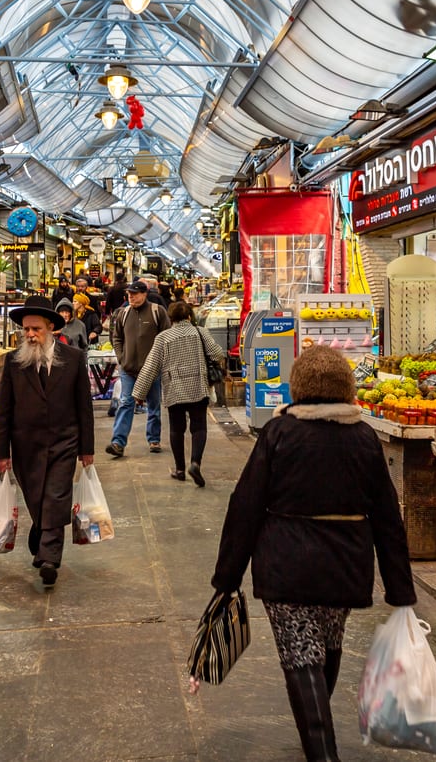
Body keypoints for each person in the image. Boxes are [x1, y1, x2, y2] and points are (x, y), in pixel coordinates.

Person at [211, 345, 416, 762]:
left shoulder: (279, 433)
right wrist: (400, 588)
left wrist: (227, 577)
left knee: (301, 655)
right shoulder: (364, 438)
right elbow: (387, 516)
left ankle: (323, 754)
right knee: (325, 645)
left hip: (287, 564)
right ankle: (318, 738)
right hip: (345, 565)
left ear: (297, 387)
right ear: (348, 389)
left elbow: (245, 505)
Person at [0, 295, 95, 587]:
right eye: (26, 330)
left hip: (65, 441)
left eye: (36, 329)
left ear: (51, 328)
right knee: (36, 498)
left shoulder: (74, 359)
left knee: (56, 495)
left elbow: (84, 406)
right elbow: (3, 410)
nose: (30, 335)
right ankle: (40, 535)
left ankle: (50, 558)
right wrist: (1, 453)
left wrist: (86, 449)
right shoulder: (14, 362)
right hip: (26, 446)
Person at [132, 301, 225, 486]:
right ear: (190, 316)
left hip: (174, 388)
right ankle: (195, 463)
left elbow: (151, 366)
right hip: (198, 386)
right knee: (199, 427)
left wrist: (139, 393)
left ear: (171, 318)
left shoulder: (163, 338)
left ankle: (180, 469)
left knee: (176, 429)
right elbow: (217, 354)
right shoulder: (201, 332)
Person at [108, 280, 169, 457]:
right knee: (126, 402)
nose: (131, 297)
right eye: (129, 294)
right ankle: (118, 442)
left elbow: (166, 337)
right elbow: (116, 337)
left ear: (144, 294)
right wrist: (121, 358)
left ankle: (154, 438)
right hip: (128, 369)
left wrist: (159, 362)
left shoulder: (158, 312)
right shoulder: (123, 313)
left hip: (152, 370)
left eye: (135, 294)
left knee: (154, 405)